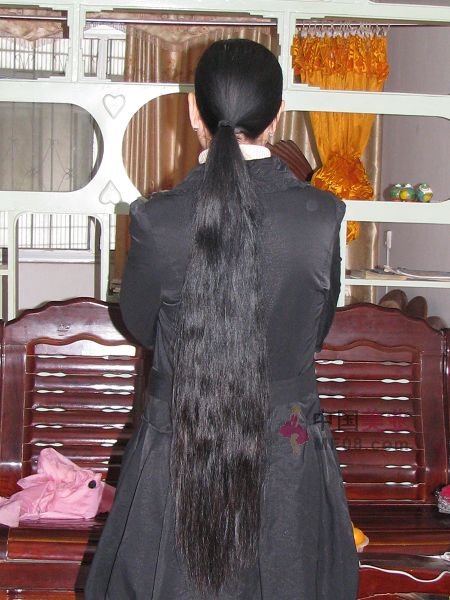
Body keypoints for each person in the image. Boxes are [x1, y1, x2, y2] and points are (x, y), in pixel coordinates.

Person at [85, 38, 359, 599]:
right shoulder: (320, 215)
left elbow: (141, 327)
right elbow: (315, 332)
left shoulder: (158, 219)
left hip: (179, 448)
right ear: (278, 116)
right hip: (286, 448)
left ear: (194, 112)